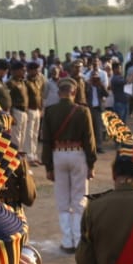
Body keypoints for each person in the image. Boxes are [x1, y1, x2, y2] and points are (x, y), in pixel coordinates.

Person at [42, 77, 97, 253]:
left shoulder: (50, 111)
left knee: (63, 200)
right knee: (79, 198)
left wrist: (48, 167)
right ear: (74, 92)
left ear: (59, 93)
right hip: (78, 154)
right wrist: (91, 163)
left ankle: (67, 241)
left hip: (58, 155)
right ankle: (79, 240)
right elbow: (89, 140)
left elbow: (46, 140)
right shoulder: (82, 111)